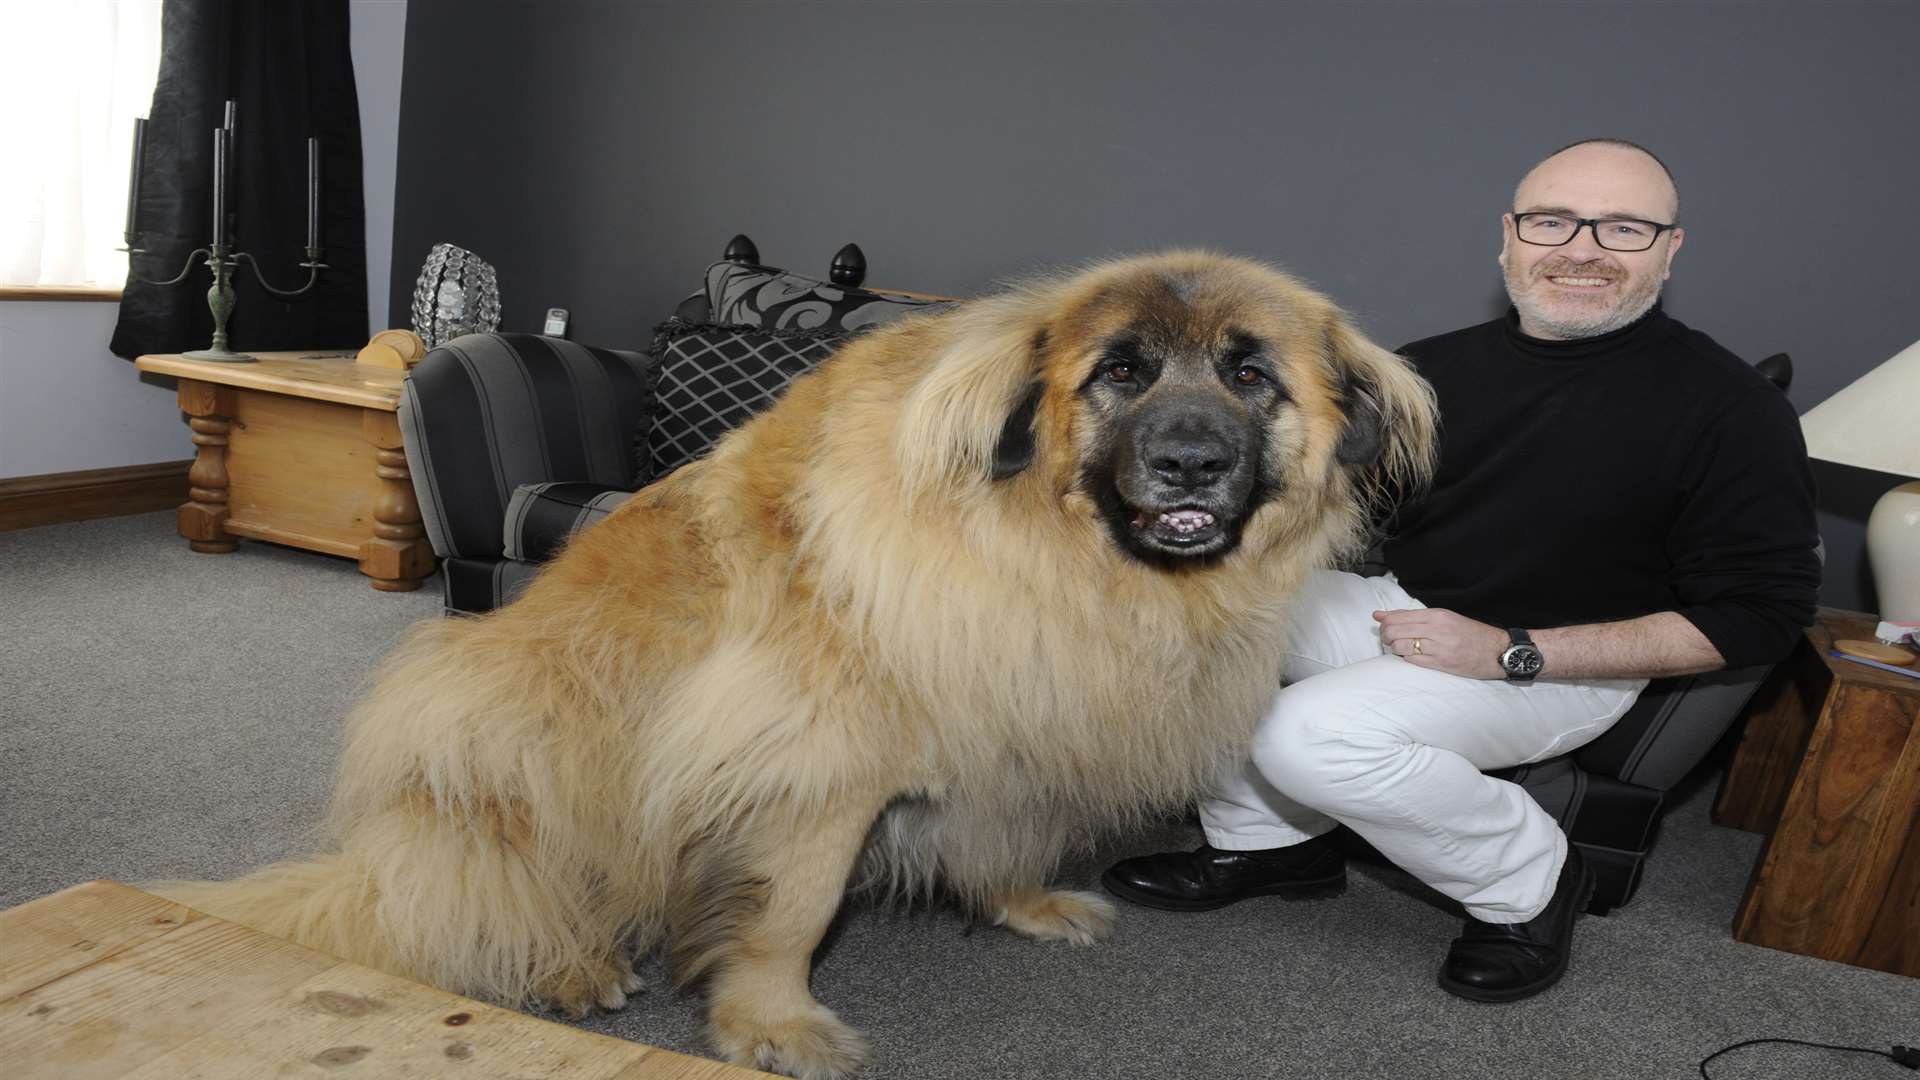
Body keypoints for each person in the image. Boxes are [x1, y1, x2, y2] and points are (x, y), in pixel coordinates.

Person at [1102, 138, 1822, 1003]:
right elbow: (1333, 499)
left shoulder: (1729, 409)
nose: (1582, 249)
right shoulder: (1429, 370)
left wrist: (1509, 651)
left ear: (1669, 251)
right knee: (1183, 603)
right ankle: (1269, 844)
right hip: (1409, 606)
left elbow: (1759, 616)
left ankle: (1531, 885)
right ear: (1510, 238)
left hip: (1555, 664)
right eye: (1554, 221)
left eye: (1623, 228)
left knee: (1305, 736)